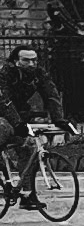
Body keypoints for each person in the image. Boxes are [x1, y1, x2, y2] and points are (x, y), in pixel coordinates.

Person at [0, 46, 69, 210]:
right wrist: (17, 123)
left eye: (34, 60)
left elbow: (51, 95)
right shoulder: (5, 74)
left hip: (18, 114)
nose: (31, 64)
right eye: (26, 60)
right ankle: (4, 178)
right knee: (3, 130)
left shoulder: (39, 74)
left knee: (29, 148)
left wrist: (59, 119)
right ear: (15, 61)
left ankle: (27, 195)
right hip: (3, 114)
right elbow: (4, 101)